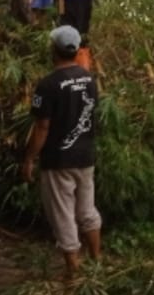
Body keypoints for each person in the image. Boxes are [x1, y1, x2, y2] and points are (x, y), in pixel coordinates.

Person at [21, 25, 102, 277]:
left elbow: (42, 127)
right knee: (86, 210)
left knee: (63, 214)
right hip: (85, 157)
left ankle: (73, 271)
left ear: (53, 50)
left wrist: (29, 159)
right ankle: (96, 261)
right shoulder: (90, 79)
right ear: (76, 50)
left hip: (58, 160)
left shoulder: (47, 85)